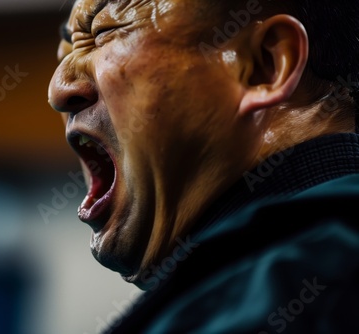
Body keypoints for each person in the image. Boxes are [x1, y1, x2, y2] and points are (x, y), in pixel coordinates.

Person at [48, 0, 359, 332]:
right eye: (65, 53)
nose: (57, 91)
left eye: (103, 32)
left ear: (263, 66)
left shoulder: (298, 295)